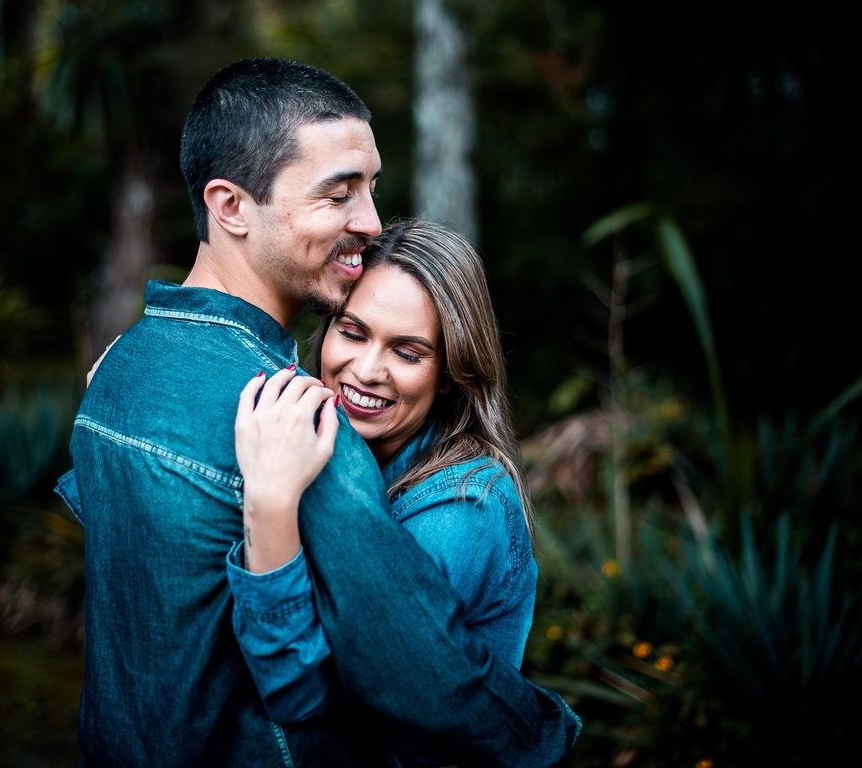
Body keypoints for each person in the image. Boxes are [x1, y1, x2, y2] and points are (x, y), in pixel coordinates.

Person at [56, 56, 581, 766]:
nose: (369, 221)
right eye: (340, 194)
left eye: (371, 188)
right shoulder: (300, 428)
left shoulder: (121, 368)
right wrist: (544, 732)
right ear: (231, 205)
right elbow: (423, 677)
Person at [230, 218, 552, 767]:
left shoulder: (462, 509)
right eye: (353, 333)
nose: (365, 370)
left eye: (407, 352)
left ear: (449, 372)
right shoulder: (329, 446)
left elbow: (313, 700)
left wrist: (271, 507)